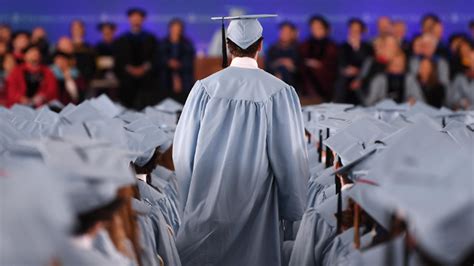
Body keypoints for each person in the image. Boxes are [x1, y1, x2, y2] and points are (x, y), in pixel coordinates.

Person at [173, 14, 309, 266]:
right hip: (259, 211)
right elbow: (291, 158)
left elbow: (182, 155)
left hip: (207, 206)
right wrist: (292, 208)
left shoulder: (204, 89)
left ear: (227, 46)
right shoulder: (279, 92)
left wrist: (190, 201)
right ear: (261, 45)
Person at [114, 8, 159, 110]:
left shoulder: (150, 39)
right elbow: (119, 60)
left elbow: (155, 57)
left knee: (146, 106)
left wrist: (144, 68)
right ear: (129, 19)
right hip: (127, 80)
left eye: (138, 18)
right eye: (133, 18)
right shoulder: (122, 39)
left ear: (143, 20)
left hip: (146, 79)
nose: (136, 20)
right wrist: (130, 69)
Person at [299, 15, 338, 101]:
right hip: (307, 74)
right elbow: (300, 59)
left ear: (325, 29)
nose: (316, 30)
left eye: (319, 27)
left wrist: (320, 65)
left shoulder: (332, 46)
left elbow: (333, 64)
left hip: (326, 76)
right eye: (313, 28)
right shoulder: (305, 44)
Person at [334, 18, 373, 104]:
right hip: (345, 81)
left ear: (362, 31)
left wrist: (356, 47)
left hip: (363, 80)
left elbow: (369, 64)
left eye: (357, 30)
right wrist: (345, 69)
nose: (354, 32)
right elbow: (340, 64)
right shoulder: (342, 47)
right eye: (352, 29)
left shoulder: (368, 47)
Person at [159, 18, 195, 104]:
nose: (176, 31)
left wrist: (179, 64)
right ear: (170, 29)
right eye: (174, 28)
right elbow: (159, 58)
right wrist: (168, 62)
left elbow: (190, 59)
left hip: (184, 77)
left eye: (179, 28)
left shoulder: (187, 43)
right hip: (166, 77)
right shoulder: (162, 43)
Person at [265, 21, 300, 87]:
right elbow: (267, 66)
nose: (284, 34)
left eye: (287, 32)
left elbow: (301, 68)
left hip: (293, 83)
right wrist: (279, 62)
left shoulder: (299, 49)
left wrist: (292, 67)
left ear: (293, 33)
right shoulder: (273, 49)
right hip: (274, 79)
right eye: (282, 31)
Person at [91, 22, 119, 98]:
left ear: (113, 32)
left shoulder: (119, 45)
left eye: (109, 31)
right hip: (101, 80)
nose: (107, 33)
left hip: (117, 79)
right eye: (104, 31)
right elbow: (96, 63)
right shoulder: (98, 47)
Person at [70, 19, 96, 86]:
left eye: (79, 28)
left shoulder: (90, 49)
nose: (77, 31)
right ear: (71, 30)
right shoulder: (65, 47)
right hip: (68, 80)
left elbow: (93, 66)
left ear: (83, 29)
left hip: (86, 81)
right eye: (74, 28)